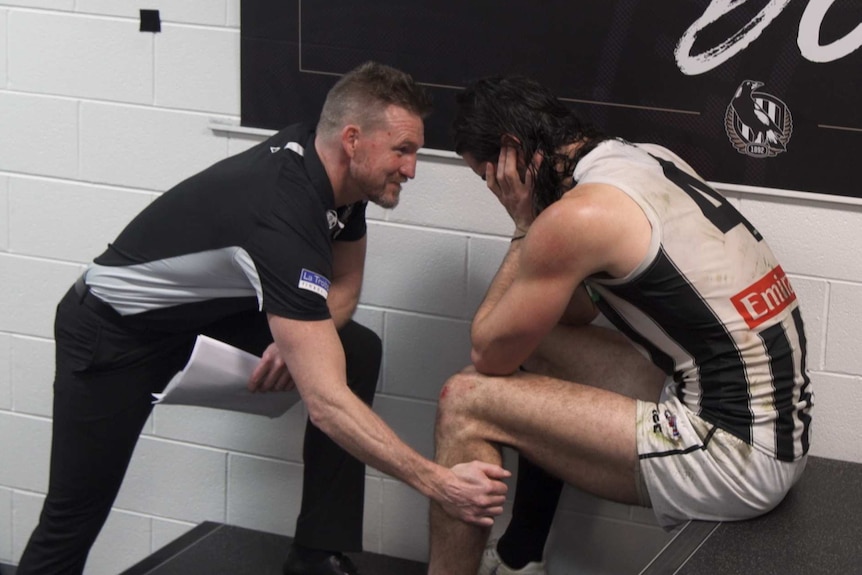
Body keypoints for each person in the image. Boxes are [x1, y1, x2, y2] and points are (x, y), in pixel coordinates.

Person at [17, 61, 510, 575]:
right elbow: (327, 406)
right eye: (403, 150)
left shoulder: (339, 180)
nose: (411, 169)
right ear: (353, 140)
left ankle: (316, 554)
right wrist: (440, 484)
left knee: (356, 349)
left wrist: (300, 340)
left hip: (201, 320)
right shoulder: (281, 210)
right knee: (74, 512)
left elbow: (345, 286)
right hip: (113, 332)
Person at [427, 75, 813, 575]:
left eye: (489, 177)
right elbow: (578, 313)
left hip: (736, 456)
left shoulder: (577, 216)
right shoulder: (642, 159)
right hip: (777, 428)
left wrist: (524, 227)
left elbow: (488, 353)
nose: (492, 189)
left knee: (463, 402)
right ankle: (519, 558)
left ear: (511, 154)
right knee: (539, 343)